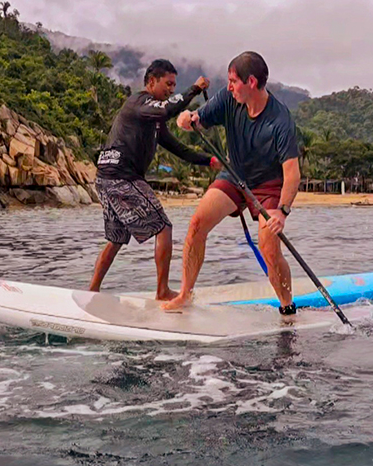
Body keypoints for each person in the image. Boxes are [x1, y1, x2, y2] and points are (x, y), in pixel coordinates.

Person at [162, 51, 300, 314]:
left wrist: (282, 212)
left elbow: (292, 173)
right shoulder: (228, 99)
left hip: (268, 186)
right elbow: (197, 121)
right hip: (234, 175)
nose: (229, 87)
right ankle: (184, 295)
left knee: (269, 247)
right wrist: (186, 119)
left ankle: (287, 307)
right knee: (196, 224)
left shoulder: (281, 121)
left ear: (250, 82)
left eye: (233, 81)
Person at [89, 59, 219, 299]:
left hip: (105, 178)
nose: (171, 89)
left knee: (116, 238)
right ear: (151, 82)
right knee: (163, 227)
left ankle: (92, 291)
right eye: (168, 84)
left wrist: (208, 161)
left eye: (174, 85)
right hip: (121, 177)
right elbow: (168, 109)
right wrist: (194, 89)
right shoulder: (139, 103)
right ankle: (162, 291)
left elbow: (178, 149)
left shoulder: (154, 120)